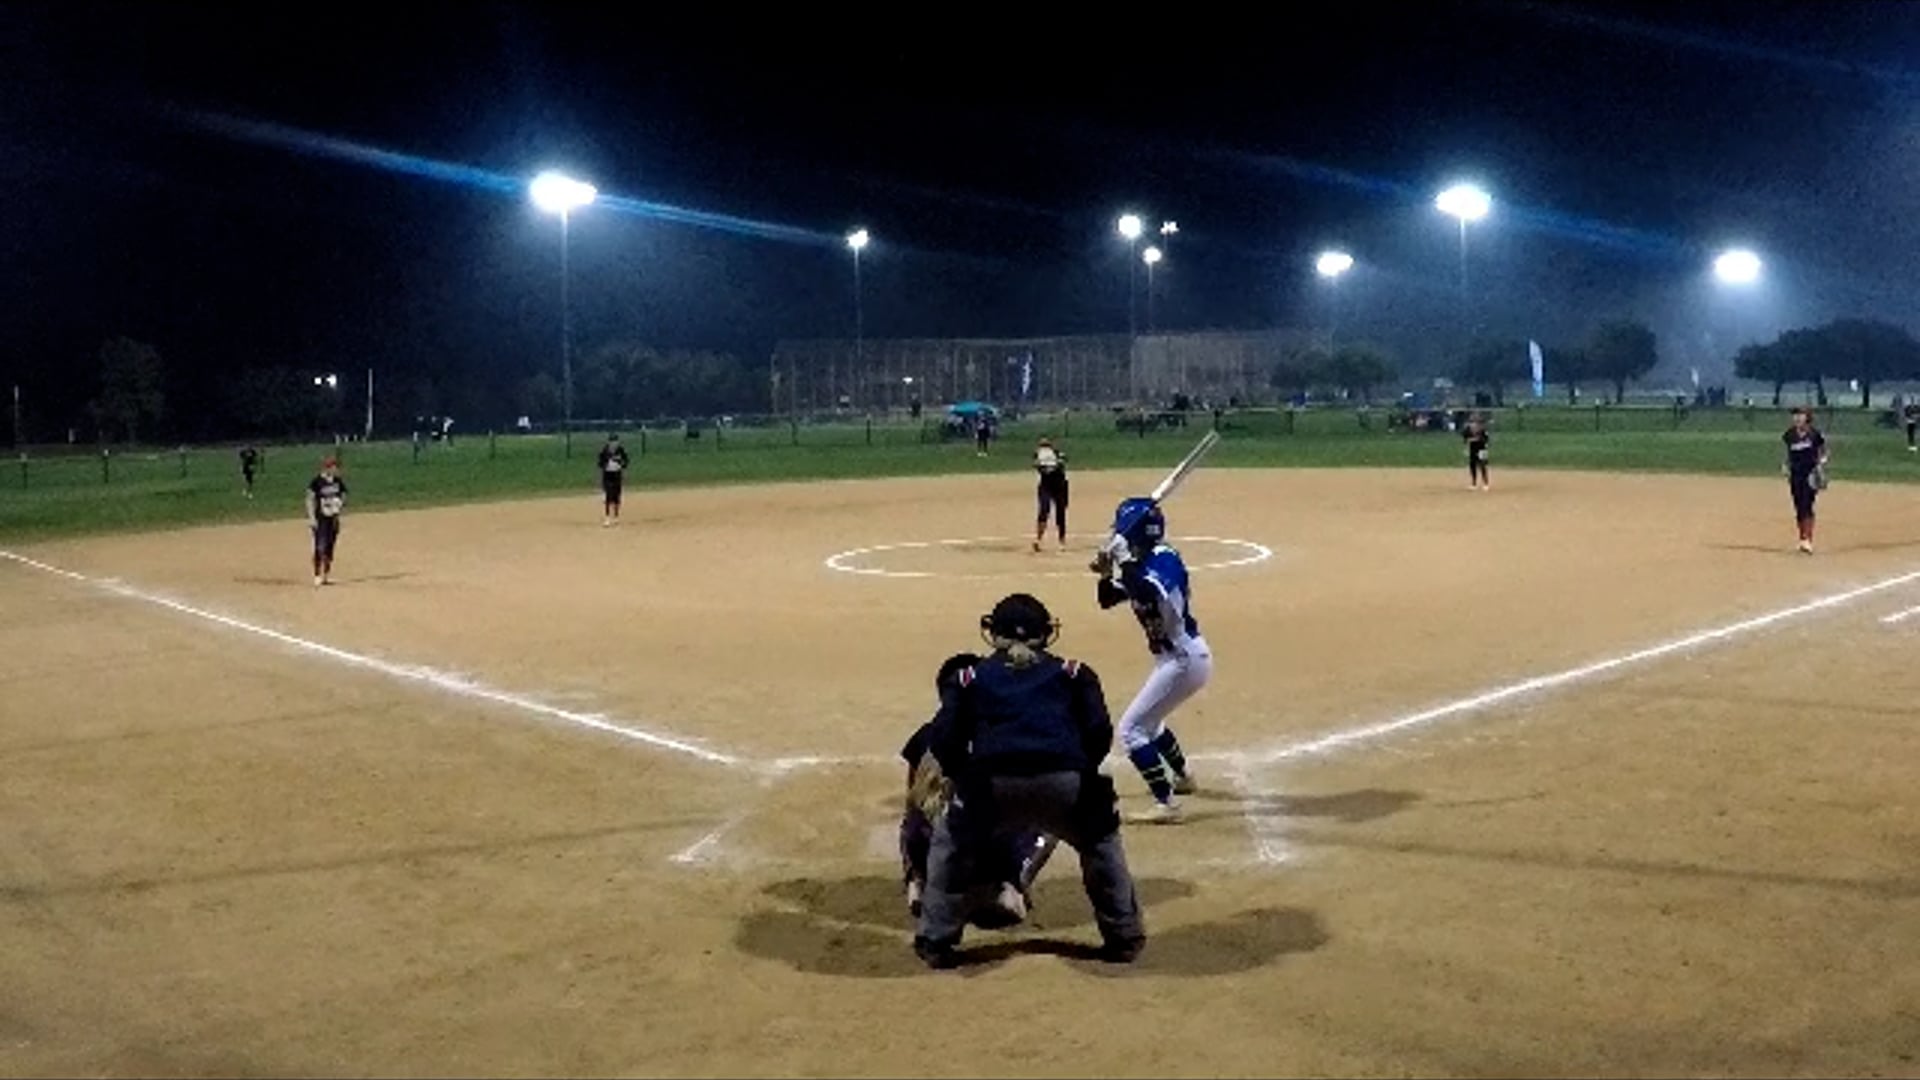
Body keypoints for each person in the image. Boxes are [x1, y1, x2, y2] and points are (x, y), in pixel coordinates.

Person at [914, 593, 1145, 968]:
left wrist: (963, 778)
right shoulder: (1075, 673)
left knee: (951, 844)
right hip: (1064, 783)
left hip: (990, 786)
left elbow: (944, 739)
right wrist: (1079, 772)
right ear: (1046, 633)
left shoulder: (968, 678)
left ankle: (935, 939)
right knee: (1101, 844)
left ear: (994, 633)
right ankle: (1124, 935)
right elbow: (1099, 732)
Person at [899, 651, 1056, 927]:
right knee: (1051, 815)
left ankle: (919, 882)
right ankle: (1010, 886)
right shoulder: (1015, 732)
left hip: (935, 852)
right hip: (992, 856)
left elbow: (913, 800)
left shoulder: (926, 735)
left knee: (913, 817)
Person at [1090, 498, 1208, 824]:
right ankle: (1184, 776)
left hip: (1184, 658)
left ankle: (1166, 804)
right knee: (1150, 724)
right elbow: (1107, 599)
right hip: (1174, 659)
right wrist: (1106, 573)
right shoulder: (1141, 563)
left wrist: (1124, 559)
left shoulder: (1164, 559)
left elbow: (1146, 592)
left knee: (1131, 731)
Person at [1782, 407, 1830, 554]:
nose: (1797, 418)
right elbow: (1789, 453)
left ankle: (1808, 539)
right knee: (1798, 506)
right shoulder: (1790, 434)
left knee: (1807, 504)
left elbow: (1824, 451)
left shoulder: (1814, 434)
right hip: (1795, 474)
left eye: (1800, 415)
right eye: (1795, 415)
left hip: (1810, 474)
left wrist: (1821, 463)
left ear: (1807, 418)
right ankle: (1802, 537)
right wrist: (1785, 465)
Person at [305, 457, 348, 586]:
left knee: (330, 546)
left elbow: (343, 494)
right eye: (334, 467)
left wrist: (340, 504)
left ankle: (326, 575)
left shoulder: (337, 481)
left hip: (333, 518)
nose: (336, 470)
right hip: (320, 518)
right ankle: (317, 574)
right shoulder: (317, 482)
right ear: (327, 468)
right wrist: (311, 518)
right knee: (320, 546)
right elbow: (309, 499)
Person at [1031, 437, 1070, 552]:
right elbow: (1038, 467)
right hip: (1046, 486)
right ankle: (1038, 539)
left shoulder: (1057, 454)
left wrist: (1058, 462)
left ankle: (1062, 540)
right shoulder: (1038, 455)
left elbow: (1064, 461)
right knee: (1044, 509)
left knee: (1060, 512)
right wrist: (1041, 466)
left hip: (1059, 486)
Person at [597, 433, 630, 527]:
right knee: (608, 496)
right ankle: (607, 517)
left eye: (615, 441)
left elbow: (626, 461)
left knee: (616, 496)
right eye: (612, 441)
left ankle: (616, 516)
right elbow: (600, 463)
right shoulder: (605, 450)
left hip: (617, 474)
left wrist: (621, 465)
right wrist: (606, 465)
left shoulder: (620, 450)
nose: (614, 443)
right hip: (608, 475)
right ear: (609, 442)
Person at [1463, 414, 1490, 490]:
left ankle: (1485, 483)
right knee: (1472, 465)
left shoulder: (1483, 430)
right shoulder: (1468, 430)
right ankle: (1474, 483)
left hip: (1482, 449)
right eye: (1472, 422)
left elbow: (1485, 439)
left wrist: (1476, 439)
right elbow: (1465, 439)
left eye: (1475, 422)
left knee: (1482, 465)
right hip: (1472, 449)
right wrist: (1466, 448)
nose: (1473, 424)